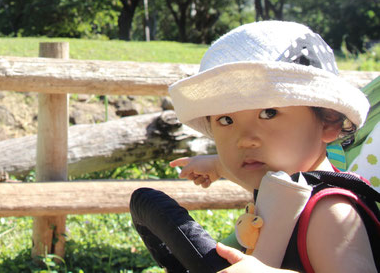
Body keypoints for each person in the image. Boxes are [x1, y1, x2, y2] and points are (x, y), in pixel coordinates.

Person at [130, 21, 378, 273]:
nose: (244, 139)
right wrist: (218, 165)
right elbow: (270, 193)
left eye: (268, 113)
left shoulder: (330, 213)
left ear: (329, 121)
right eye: (226, 120)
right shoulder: (282, 184)